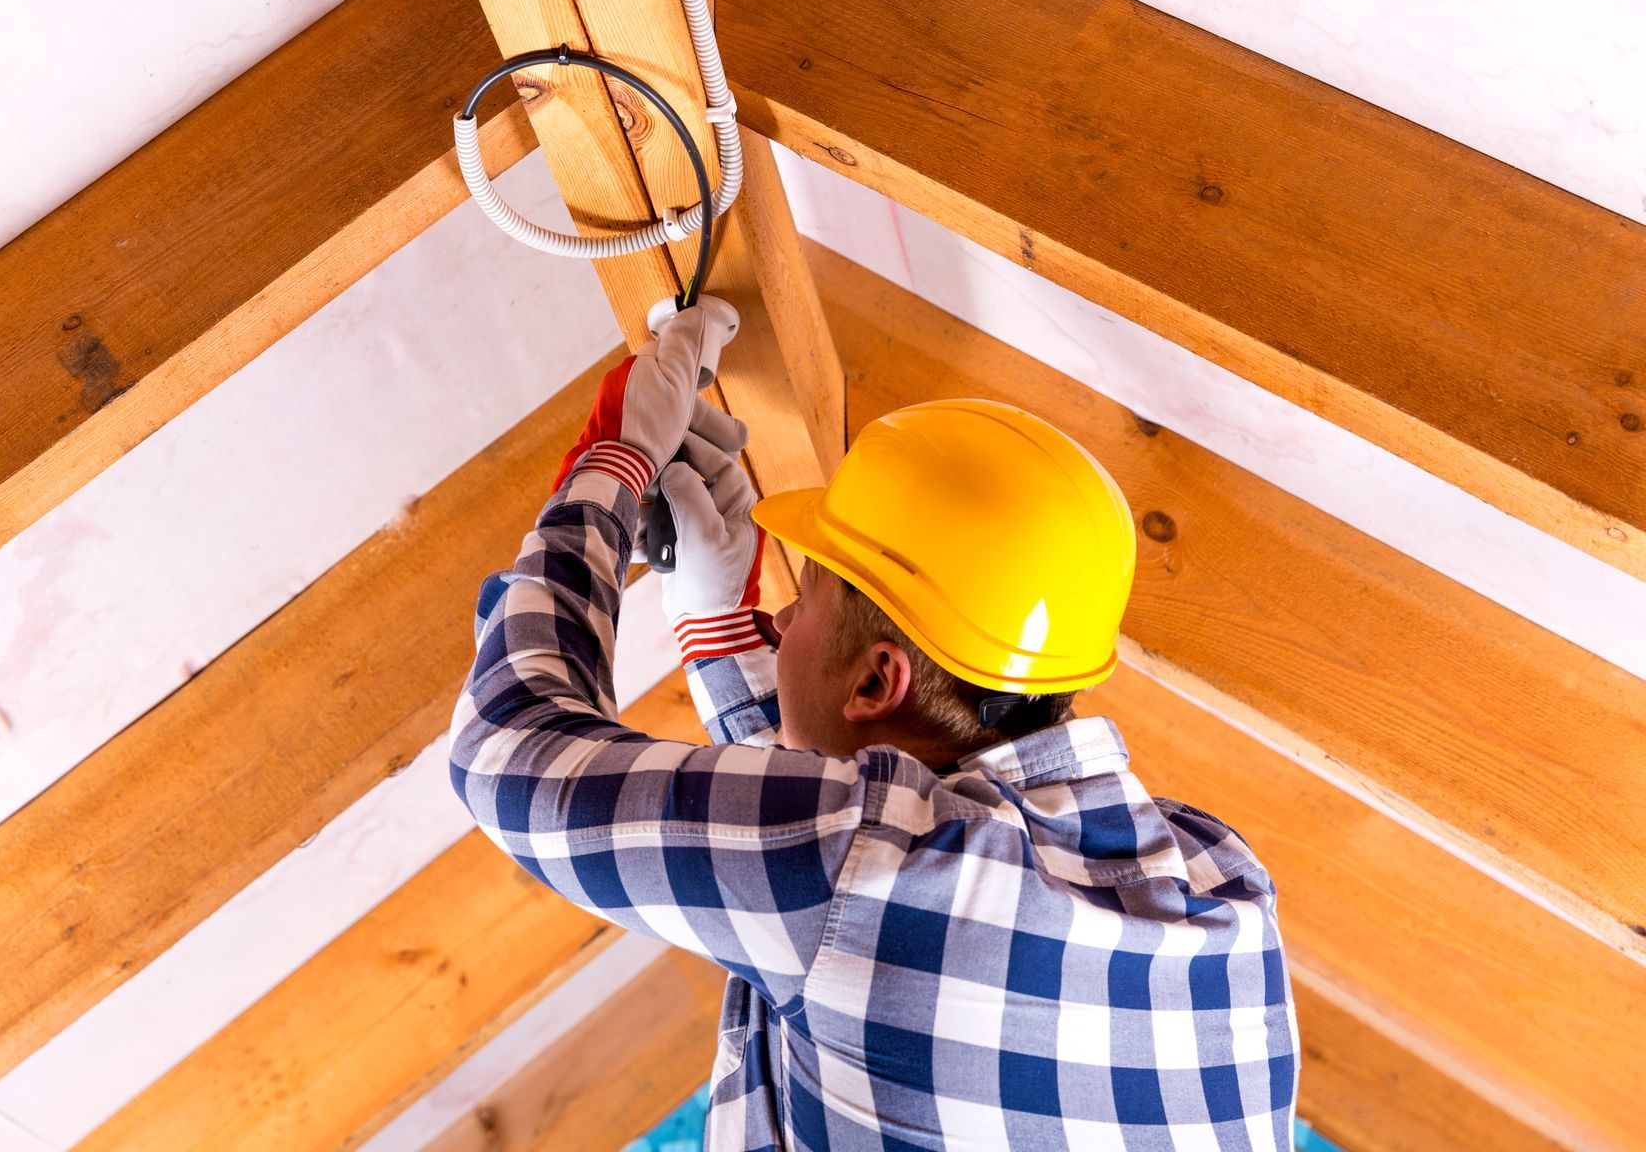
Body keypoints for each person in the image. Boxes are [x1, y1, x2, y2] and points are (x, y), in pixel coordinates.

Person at [450, 298, 1298, 1150]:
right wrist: (718, 632)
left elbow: (507, 751)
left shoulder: (868, 867)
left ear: (877, 679)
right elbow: (849, 883)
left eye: (803, 595)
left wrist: (609, 465)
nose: (777, 624)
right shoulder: (1218, 881)